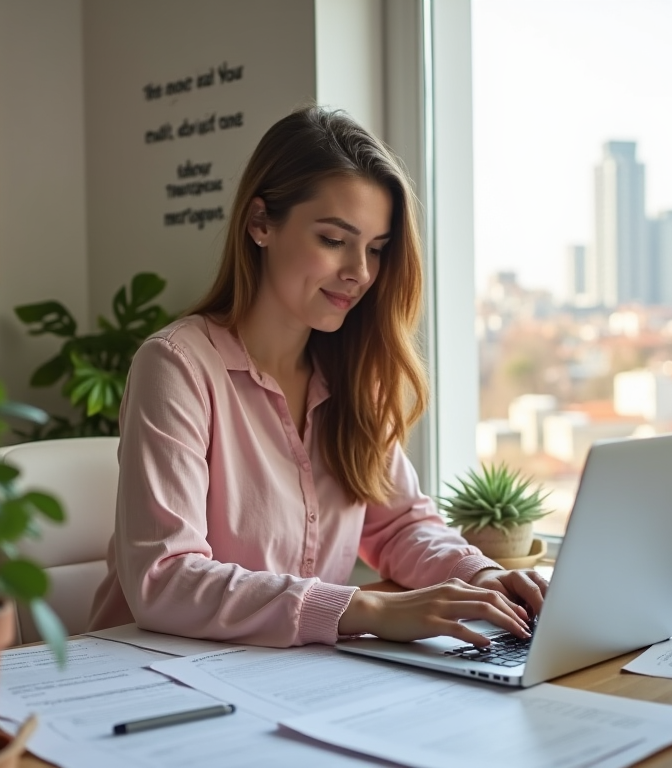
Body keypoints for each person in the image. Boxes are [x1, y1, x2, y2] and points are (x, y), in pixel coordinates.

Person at [88, 105, 549, 649]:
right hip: (152, 677)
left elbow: (399, 525)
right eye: (335, 240)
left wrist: (481, 577)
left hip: (289, 677)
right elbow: (164, 579)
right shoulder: (176, 366)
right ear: (260, 223)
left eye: (376, 249)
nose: (360, 272)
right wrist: (367, 608)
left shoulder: (353, 376)